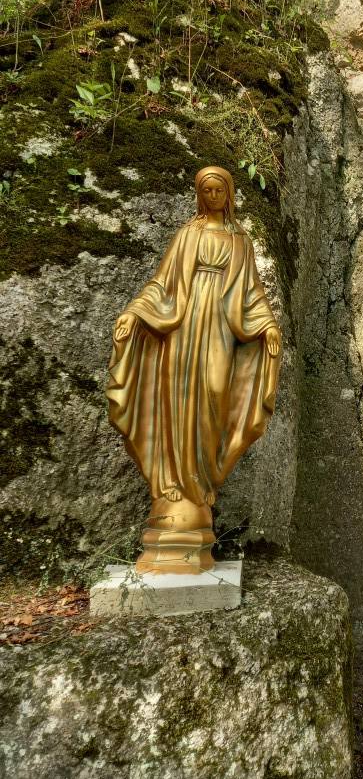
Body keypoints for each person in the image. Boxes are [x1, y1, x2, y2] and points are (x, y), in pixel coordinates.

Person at [106, 166, 281, 570]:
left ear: (229, 193)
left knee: (214, 397)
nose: (214, 194)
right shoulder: (188, 235)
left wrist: (268, 325)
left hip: (220, 325)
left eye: (220, 188)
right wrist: (135, 313)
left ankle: (200, 489)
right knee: (176, 403)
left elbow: (251, 292)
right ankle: (171, 495)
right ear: (200, 195)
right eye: (207, 189)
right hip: (181, 329)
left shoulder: (241, 242)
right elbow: (162, 285)